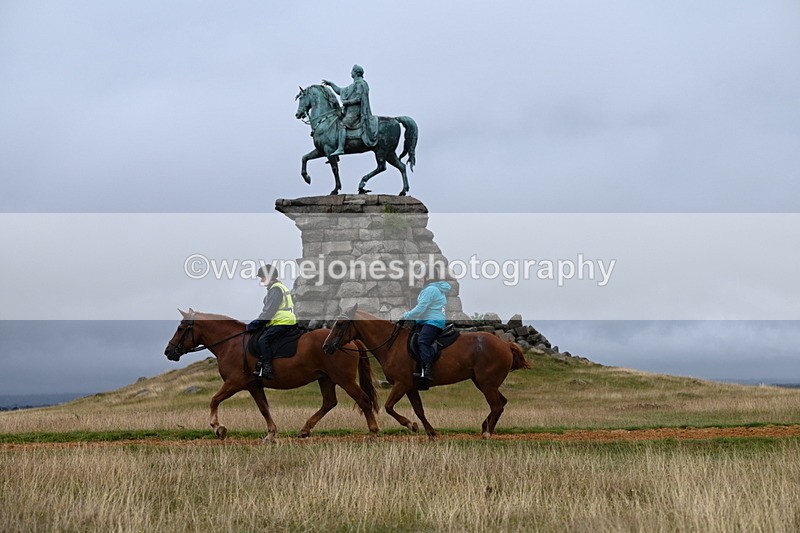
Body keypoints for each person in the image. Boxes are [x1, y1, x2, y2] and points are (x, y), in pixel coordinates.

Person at [246, 264, 297, 380]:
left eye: (263, 277)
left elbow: (269, 312)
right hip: (283, 320)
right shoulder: (278, 287)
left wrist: (254, 325)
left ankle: (268, 368)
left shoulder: (275, 289)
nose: (262, 280)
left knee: (263, 340)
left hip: (282, 321)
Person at [402, 268, 452, 382]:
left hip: (432, 321)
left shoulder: (431, 289)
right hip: (428, 320)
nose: (419, 279)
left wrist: (406, 315)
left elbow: (421, 308)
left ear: (428, 277)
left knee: (422, 341)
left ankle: (428, 370)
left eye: (421, 276)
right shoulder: (433, 289)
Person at [322, 64, 378, 155]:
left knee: (342, 124)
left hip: (356, 113)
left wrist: (347, 102)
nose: (350, 72)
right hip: (349, 112)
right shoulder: (353, 85)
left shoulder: (361, 84)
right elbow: (340, 91)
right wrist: (331, 84)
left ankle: (340, 148)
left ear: (356, 73)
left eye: (352, 71)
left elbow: (359, 98)